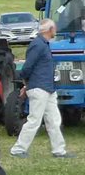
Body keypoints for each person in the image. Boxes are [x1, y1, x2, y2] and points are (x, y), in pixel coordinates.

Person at [10, 19, 75, 158]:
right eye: (54, 28)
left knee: (54, 120)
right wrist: (26, 84)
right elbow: (27, 67)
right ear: (49, 30)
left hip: (48, 88)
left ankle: (59, 151)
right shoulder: (38, 45)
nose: (56, 30)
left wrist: (27, 85)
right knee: (34, 120)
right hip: (39, 88)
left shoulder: (43, 45)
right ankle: (18, 149)